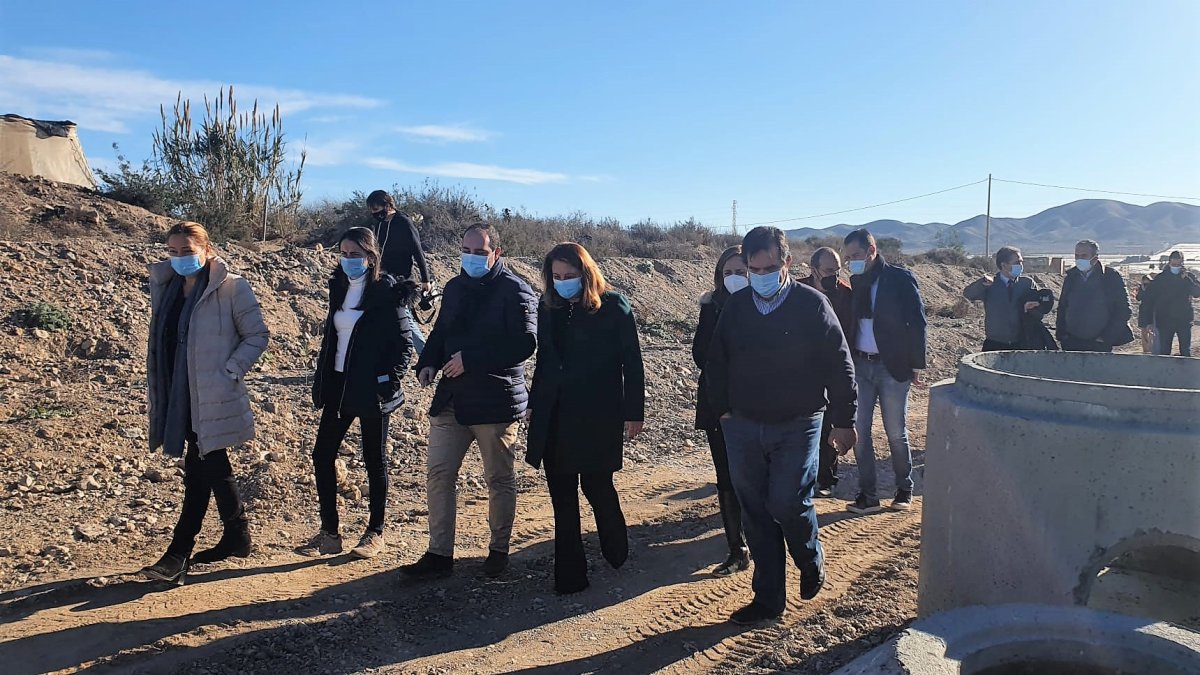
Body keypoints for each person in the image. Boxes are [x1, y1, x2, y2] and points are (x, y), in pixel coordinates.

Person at [705, 226, 857, 625]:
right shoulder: (737, 307)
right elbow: (716, 362)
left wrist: (844, 420)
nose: (761, 276)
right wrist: (719, 410)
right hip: (743, 424)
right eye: (753, 269)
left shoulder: (813, 304)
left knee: (788, 501)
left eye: (769, 267)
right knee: (755, 511)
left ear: (787, 262)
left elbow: (839, 363)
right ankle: (768, 598)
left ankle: (809, 556)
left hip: (799, 422)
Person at [401, 222, 537, 579]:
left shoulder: (517, 291)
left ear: (497, 253)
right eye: (467, 250)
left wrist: (471, 359)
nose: (472, 257)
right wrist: (428, 361)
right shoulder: (455, 287)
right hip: (452, 400)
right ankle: (439, 554)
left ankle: (498, 551)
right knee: (439, 474)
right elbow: (442, 331)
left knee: (499, 478)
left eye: (480, 251)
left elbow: (524, 344)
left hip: (496, 402)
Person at [142, 222, 270, 584]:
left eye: (187, 250)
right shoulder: (166, 287)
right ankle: (236, 536)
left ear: (206, 249)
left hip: (211, 393)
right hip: (177, 395)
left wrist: (230, 370)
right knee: (208, 464)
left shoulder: (231, 288)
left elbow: (257, 335)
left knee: (204, 463)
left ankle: (178, 552)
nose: (180, 258)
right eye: (173, 251)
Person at [525, 243, 646, 594]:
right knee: (562, 497)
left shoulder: (613, 307)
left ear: (585, 274)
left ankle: (615, 544)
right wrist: (535, 403)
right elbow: (545, 362)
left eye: (570, 276)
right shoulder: (547, 308)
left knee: (597, 486)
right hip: (555, 415)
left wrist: (633, 412)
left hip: (597, 414)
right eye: (556, 277)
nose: (563, 283)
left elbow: (632, 364)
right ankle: (570, 576)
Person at [299, 227, 416, 560]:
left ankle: (375, 532)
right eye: (344, 253)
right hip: (338, 386)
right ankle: (329, 533)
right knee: (322, 455)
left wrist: (386, 383)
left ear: (371, 256)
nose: (349, 260)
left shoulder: (386, 291)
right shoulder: (338, 287)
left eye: (356, 254)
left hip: (371, 390)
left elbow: (404, 345)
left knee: (373, 460)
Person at [841, 228, 926, 515]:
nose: (851, 261)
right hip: (861, 366)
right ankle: (868, 495)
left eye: (855, 255)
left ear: (871, 251)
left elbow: (917, 322)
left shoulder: (898, 279)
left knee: (895, 432)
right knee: (860, 432)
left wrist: (917, 363)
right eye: (847, 257)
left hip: (892, 366)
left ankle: (905, 488)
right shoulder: (855, 281)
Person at [691, 245, 750, 576]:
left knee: (757, 477)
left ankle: (763, 538)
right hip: (718, 402)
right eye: (728, 273)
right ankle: (736, 549)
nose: (734, 278)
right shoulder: (711, 307)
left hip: (759, 404)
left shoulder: (765, 305)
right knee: (726, 478)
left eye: (740, 272)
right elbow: (701, 353)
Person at [799, 247, 855, 498]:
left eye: (838, 270)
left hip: (832, 369)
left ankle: (827, 478)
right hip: (803, 370)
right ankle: (806, 475)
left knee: (832, 422)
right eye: (829, 271)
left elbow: (850, 335)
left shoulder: (846, 295)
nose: (835, 275)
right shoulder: (797, 292)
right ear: (814, 270)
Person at [366, 190, 433, 355]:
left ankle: (425, 355)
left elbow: (417, 251)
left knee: (405, 317)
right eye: (372, 210)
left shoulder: (404, 222)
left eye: (376, 208)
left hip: (402, 280)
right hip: (382, 277)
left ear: (387, 205)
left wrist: (426, 279)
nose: (374, 213)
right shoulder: (380, 224)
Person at [963, 246, 1054, 351]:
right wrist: (982, 284)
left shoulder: (1027, 283)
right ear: (1004, 265)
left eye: (1021, 262)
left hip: (1021, 342)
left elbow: (1039, 307)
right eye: (1016, 263)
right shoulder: (991, 284)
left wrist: (1037, 306)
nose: (1020, 266)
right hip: (995, 342)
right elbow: (968, 294)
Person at [1057, 239, 1134, 353]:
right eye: (1077, 255)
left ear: (1095, 258)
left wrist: (1106, 337)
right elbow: (1063, 306)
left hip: (1099, 343)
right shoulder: (1071, 277)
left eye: (1084, 255)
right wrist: (1062, 334)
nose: (1079, 259)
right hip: (1072, 342)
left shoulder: (1110, 277)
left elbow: (1124, 310)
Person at [1139, 251, 1200, 356]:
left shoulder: (1188, 277)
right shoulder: (1161, 278)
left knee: (1185, 351)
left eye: (1178, 264)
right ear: (1169, 263)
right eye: (1173, 264)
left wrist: (1187, 279)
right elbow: (1149, 300)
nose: (1176, 266)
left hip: (1184, 320)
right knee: (1164, 352)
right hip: (1165, 321)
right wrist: (1148, 322)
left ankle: (1184, 372)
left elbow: (1196, 293)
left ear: (1182, 263)